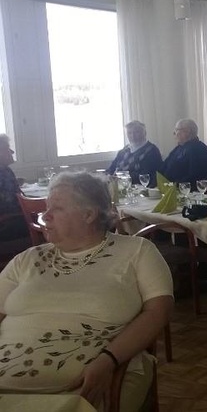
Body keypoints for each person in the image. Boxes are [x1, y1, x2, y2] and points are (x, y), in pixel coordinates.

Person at [0, 171, 173, 411]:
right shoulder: (27, 259)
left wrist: (108, 359)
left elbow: (159, 311)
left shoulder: (137, 251)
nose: (45, 216)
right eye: (46, 208)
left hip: (85, 387)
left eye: (57, 209)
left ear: (89, 215)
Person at [106, 121, 163, 188]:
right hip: (119, 185)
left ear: (144, 133)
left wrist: (122, 177)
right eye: (129, 133)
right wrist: (108, 176)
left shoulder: (152, 151)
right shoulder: (124, 151)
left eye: (136, 132)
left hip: (140, 188)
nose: (133, 136)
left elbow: (145, 176)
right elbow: (111, 168)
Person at [161, 119, 207, 185]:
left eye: (177, 130)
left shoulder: (200, 150)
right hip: (169, 186)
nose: (174, 133)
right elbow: (164, 167)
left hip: (186, 189)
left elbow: (195, 176)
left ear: (187, 131)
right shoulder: (178, 148)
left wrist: (174, 185)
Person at [0, 134, 26, 241]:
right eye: (7, 148)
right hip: (7, 222)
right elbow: (10, 204)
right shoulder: (3, 172)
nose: (12, 152)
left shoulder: (5, 170)